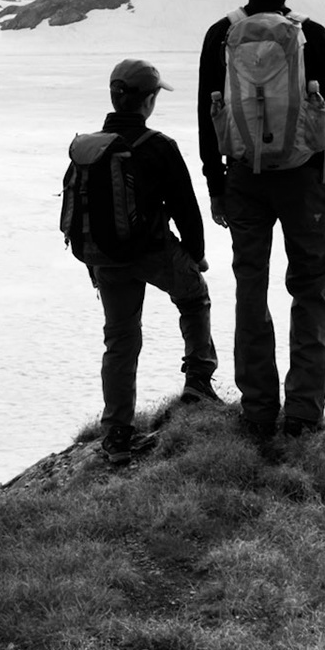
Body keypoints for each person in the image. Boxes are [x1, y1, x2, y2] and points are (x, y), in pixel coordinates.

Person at [197, 0, 325, 445]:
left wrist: (216, 184)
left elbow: (207, 113)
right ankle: (304, 415)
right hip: (307, 180)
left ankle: (259, 411)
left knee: (250, 289)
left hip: (244, 179)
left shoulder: (221, 35)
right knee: (310, 291)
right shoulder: (313, 37)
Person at [87, 59, 222, 463]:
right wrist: (195, 256)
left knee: (121, 339)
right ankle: (198, 381)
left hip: (106, 260)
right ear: (147, 101)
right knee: (194, 297)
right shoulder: (159, 146)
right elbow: (185, 207)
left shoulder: (90, 146)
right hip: (153, 252)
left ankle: (116, 435)